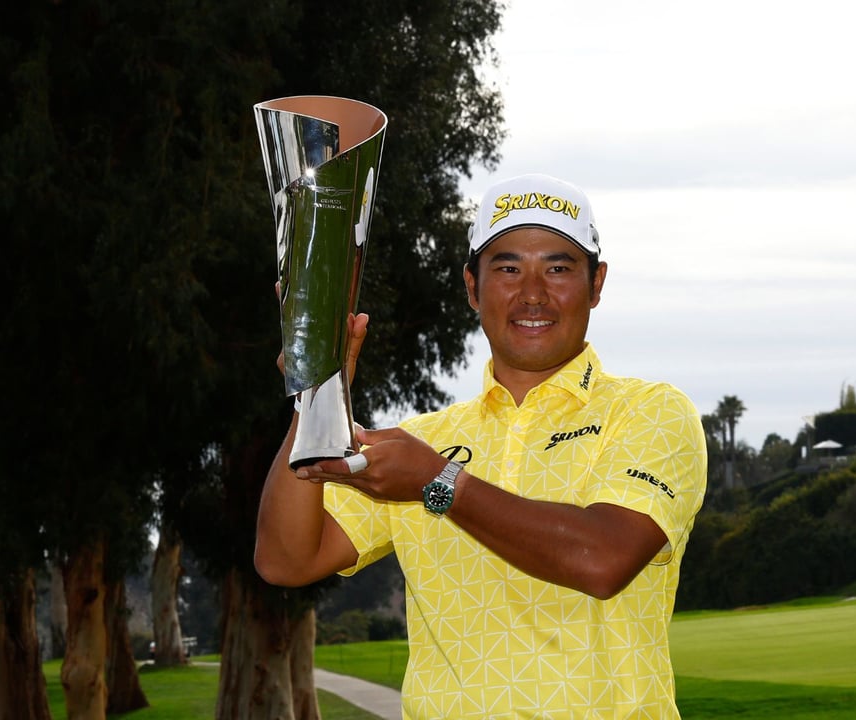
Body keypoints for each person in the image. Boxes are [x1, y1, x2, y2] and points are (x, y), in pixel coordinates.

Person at [256, 173, 708, 719]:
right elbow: (287, 558)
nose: (533, 292)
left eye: (559, 268)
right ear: (472, 287)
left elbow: (603, 558)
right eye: (509, 268)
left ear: (596, 284)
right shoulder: (423, 440)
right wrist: (315, 393)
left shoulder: (650, 412)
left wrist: (439, 482)